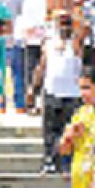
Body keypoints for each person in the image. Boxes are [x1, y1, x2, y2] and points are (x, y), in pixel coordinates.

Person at [31, 12, 84, 174]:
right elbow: (41, 66)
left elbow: (83, 29)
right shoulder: (48, 43)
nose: (64, 27)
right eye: (61, 23)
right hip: (51, 90)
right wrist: (33, 88)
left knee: (68, 129)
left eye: (67, 23)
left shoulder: (76, 43)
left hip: (72, 94)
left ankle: (66, 162)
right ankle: (49, 160)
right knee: (50, 130)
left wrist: (74, 23)